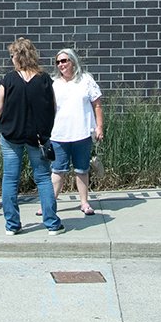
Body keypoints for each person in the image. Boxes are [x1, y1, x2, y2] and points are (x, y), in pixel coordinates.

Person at [0, 37, 63, 235]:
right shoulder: (45, 79)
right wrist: (47, 129)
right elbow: (53, 107)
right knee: (44, 178)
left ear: (18, 56)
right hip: (38, 137)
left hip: (11, 135)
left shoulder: (9, 79)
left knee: (10, 179)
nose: (11, 59)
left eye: (12, 55)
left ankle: (12, 225)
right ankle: (52, 223)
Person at [49, 48, 103, 217]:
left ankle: (84, 202)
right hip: (59, 134)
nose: (61, 65)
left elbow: (97, 105)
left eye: (64, 61)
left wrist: (99, 126)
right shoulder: (53, 83)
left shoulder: (86, 80)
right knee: (57, 169)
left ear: (73, 61)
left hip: (82, 132)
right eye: (58, 62)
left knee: (82, 169)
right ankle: (49, 204)